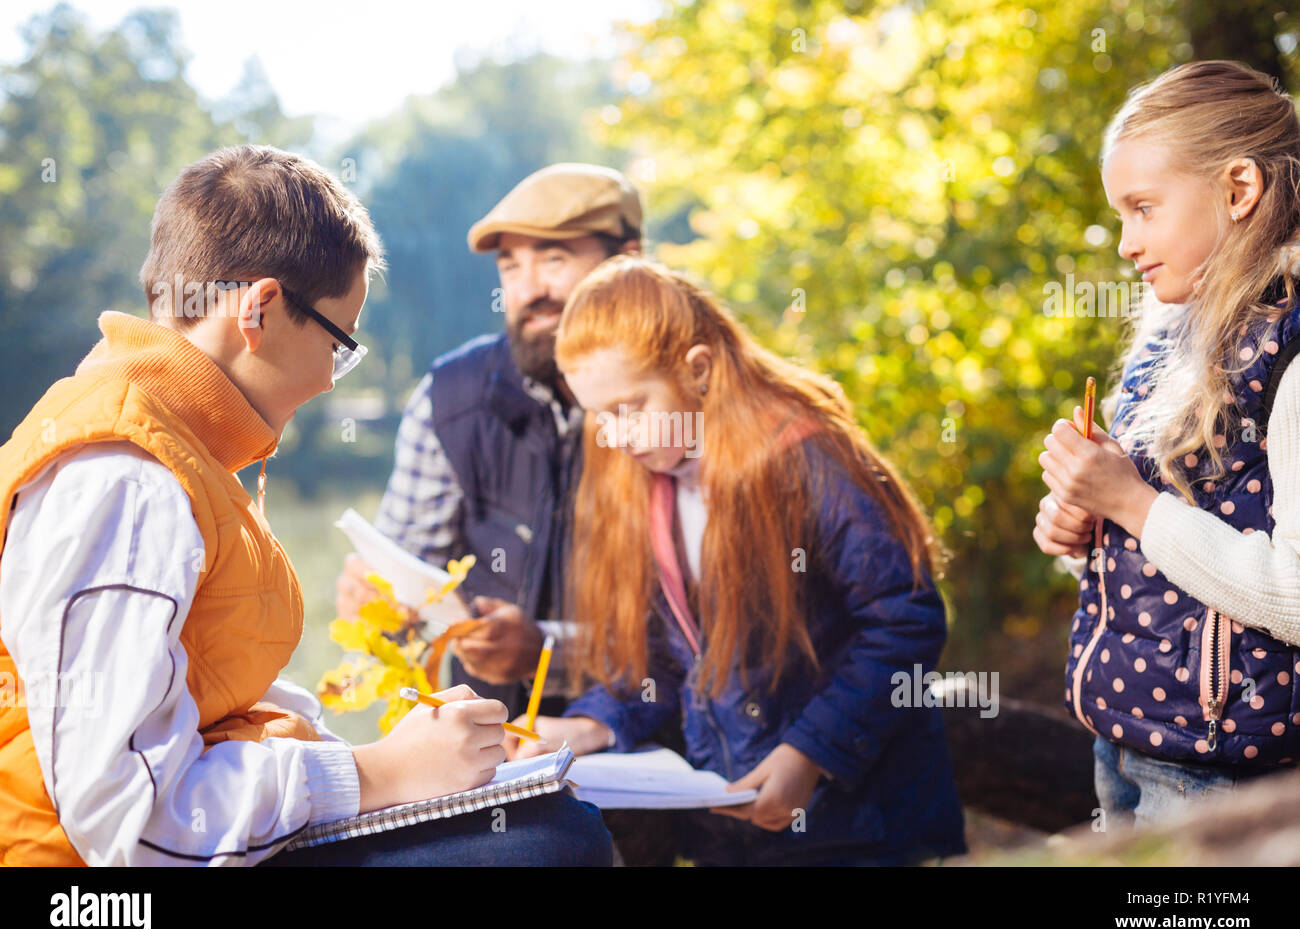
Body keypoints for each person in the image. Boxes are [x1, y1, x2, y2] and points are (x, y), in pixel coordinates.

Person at [0, 144, 610, 866]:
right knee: (549, 848)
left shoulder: (173, 450)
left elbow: (201, 695)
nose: (329, 380)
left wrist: (388, 763)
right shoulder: (127, 482)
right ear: (258, 310)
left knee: (547, 821)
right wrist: (376, 774)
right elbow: (129, 820)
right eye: (338, 343)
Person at [510, 256, 968, 866]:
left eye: (630, 407)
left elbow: (905, 620)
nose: (615, 437)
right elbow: (668, 662)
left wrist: (812, 753)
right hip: (733, 832)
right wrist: (591, 724)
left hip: (862, 831)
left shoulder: (807, 463)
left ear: (698, 370)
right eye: (600, 416)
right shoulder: (650, 484)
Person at [1036, 60, 1300, 830]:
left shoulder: (1289, 354)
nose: (1126, 244)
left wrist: (1130, 501)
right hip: (1128, 747)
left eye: (1144, 209)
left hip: (1226, 772)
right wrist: (1076, 526)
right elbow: (1148, 534)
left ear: (1239, 189)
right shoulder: (1169, 334)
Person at [335, 163, 643, 717]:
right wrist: (384, 611)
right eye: (511, 265)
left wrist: (548, 652)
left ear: (629, 261)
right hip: (492, 759)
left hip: (660, 759)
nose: (530, 289)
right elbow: (411, 581)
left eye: (555, 259)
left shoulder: (681, 407)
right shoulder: (450, 398)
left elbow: (709, 634)